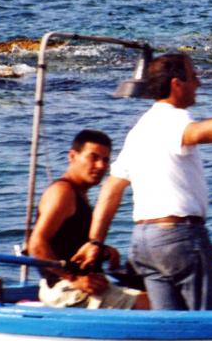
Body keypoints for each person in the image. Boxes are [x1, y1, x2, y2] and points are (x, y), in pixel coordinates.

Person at [73, 54, 212, 310]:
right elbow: (197, 133)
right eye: (194, 76)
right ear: (177, 84)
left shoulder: (140, 129)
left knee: (170, 322)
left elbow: (111, 188)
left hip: (144, 242)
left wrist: (95, 241)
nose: (199, 83)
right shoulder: (172, 118)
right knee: (208, 321)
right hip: (179, 238)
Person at [28, 129, 149, 309]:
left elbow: (68, 243)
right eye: (93, 157)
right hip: (67, 289)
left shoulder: (78, 194)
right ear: (72, 156)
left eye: (106, 160)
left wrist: (106, 251)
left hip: (80, 283)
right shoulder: (63, 192)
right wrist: (74, 278)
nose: (101, 165)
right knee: (159, 303)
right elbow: (36, 245)